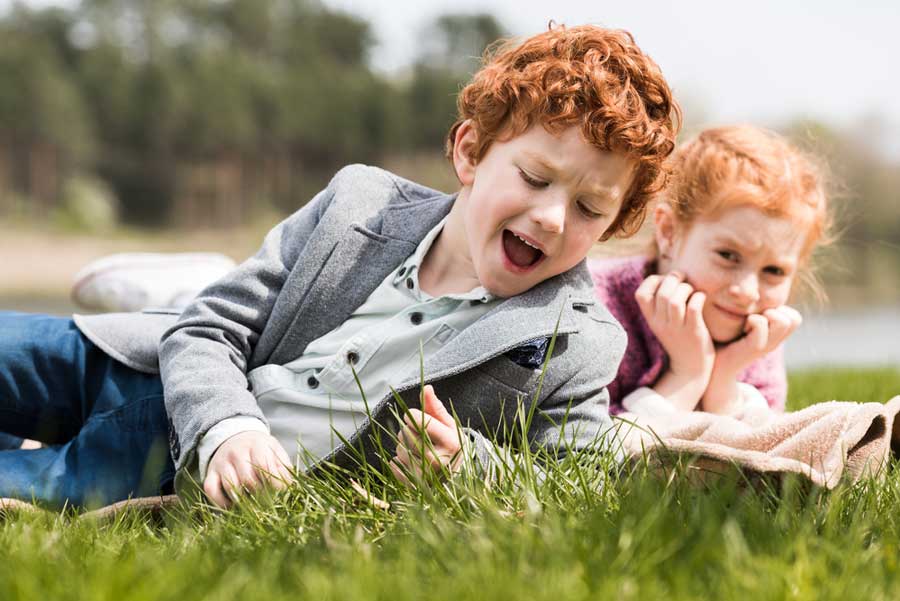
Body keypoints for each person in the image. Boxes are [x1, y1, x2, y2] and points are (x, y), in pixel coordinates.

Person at [0, 24, 680, 509]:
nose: (553, 218)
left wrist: (470, 465)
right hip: (140, 366)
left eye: (589, 208)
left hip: (161, 468)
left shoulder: (579, 342)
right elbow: (208, 326)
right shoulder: (361, 200)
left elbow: (576, 479)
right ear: (470, 152)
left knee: (26, 488)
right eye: (534, 178)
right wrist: (228, 423)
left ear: (613, 224)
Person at [589, 125, 829, 418]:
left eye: (774, 271)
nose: (747, 292)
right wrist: (687, 374)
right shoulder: (597, 308)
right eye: (728, 256)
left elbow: (760, 440)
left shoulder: (757, 331)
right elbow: (585, 440)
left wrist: (723, 379)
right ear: (669, 232)